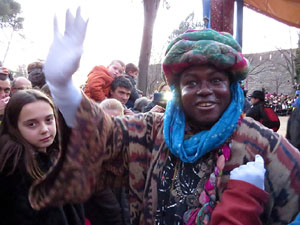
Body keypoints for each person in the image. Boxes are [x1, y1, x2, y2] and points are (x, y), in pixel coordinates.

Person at [29, 9, 300, 225]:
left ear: (232, 86)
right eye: (191, 83)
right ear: (177, 91)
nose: (205, 91)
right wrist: (63, 87)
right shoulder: (152, 131)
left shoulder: (264, 145)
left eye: (216, 80)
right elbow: (103, 133)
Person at [0, 89, 85, 225]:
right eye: (32, 124)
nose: (45, 129)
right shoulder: (15, 171)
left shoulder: (55, 156)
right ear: (15, 127)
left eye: (49, 119)